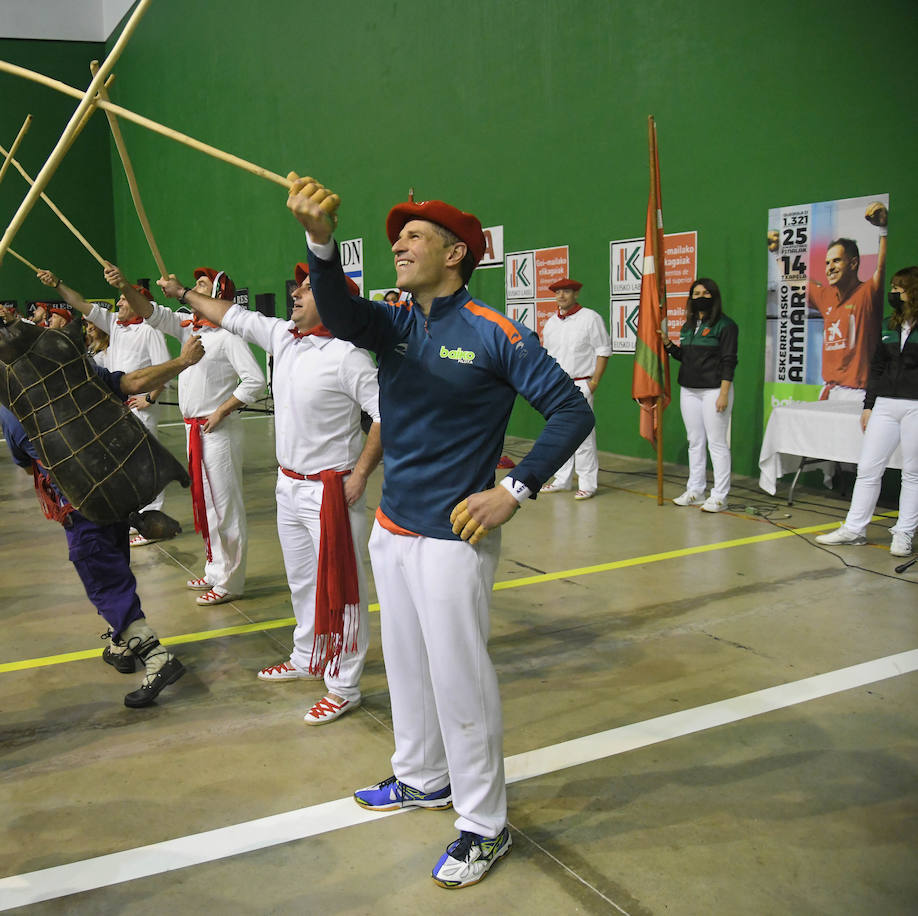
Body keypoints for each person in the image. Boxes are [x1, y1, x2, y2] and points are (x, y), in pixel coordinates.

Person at [286, 174, 593, 889]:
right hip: (393, 529)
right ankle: (422, 777)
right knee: (408, 666)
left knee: (462, 681)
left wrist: (512, 490)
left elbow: (573, 414)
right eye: (398, 235)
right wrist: (320, 243)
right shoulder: (393, 323)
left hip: (456, 538)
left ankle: (485, 823)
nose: (400, 242)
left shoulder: (496, 332)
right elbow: (336, 306)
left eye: (416, 235)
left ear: (456, 253)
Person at [162, 260, 383, 724]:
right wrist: (183, 293)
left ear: (336, 303)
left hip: (331, 491)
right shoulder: (283, 335)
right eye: (298, 287)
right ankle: (307, 656)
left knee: (343, 588)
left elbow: (386, 416)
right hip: (288, 485)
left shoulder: (350, 356)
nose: (296, 294)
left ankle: (344, 685)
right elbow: (229, 315)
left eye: (308, 289)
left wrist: (360, 475)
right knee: (301, 580)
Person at [0, 331, 206, 707]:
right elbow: (132, 382)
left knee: (104, 582)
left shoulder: (13, 409)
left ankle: (156, 658)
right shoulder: (81, 373)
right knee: (117, 568)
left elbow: (25, 463)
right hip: (115, 489)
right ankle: (121, 644)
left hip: (80, 506)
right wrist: (181, 362)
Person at [126, 267, 266, 605]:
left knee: (225, 507)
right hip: (195, 431)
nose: (194, 288)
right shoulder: (189, 327)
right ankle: (216, 569)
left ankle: (231, 581)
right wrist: (124, 287)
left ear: (217, 296)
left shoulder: (229, 335)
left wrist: (221, 411)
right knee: (208, 506)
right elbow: (150, 312)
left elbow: (255, 381)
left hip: (217, 432)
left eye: (201, 284)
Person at [37, 267, 177, 545]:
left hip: (141, 408)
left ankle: (151, 521)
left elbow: (165, 369)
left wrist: (149, 398)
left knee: (145, 466)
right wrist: (57, 284)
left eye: (125, 299)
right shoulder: (113, 323)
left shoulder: (150, 330)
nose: (121, 302)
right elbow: (81, 304)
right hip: (117, 408)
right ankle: (133, 519)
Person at [815, 266, 918, 556]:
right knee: (869, 468)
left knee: (913, 473)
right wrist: (869, 405)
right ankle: (854, 528)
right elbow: (876, 368)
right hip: (885, 405)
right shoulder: (888, 325)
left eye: (900, 288)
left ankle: (904, 533)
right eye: (893, 287)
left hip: (915, 406)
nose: (894, 293)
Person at [661, 278, 738, 513]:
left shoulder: (726, 326)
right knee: (695, 441)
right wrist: (668, 344)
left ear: (714, 296)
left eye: (705, 292)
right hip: (689, 390)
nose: (700, 296)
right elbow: (686, 357)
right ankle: (695, 490)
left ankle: (720, 496)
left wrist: (723, 393)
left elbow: (729, 361)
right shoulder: (688, 326)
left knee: (717, 443)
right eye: (696, 293)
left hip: (715, 390)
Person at [808, 202, 888, 400]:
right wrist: (777, 253)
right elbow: (795, 283)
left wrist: (883, 229)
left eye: (836, 261)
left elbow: (882, 268)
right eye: (827, 263)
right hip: (828, 390)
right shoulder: (825, 295)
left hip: (858, 394)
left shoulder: (868, 292)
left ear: (853, 263)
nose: (830, 268)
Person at [539, 278, 610, 499]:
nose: (561, 296)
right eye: (558, 292)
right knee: (559, 435)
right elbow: (547, 356)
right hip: (556, 386)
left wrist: (594, 382)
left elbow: (603, 350)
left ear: (576, 294)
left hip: (581, 383)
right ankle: (562, 479)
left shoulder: (590, 318)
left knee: (584, 436)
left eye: (566, 292)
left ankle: (588, 484)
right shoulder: (550, 323)